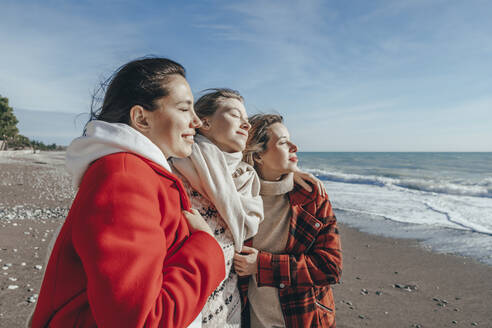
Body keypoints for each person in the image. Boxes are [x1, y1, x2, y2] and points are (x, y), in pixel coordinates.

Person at [30, 58, 225, 328]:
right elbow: (143, 321)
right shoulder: (124, 177)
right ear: (141, 118)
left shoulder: (138, 172)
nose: (197, 121)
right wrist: (206, 247)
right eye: (184, 109)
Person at [171, 90, 327, 327]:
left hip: (257, 313)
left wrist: (292, 173)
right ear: (204, 122)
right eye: (235, 114)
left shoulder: (247, 183)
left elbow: (330, 267)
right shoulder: (175, 172)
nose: (245, 122)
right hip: (194, 308)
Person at [235, 114, 342, 328]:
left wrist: (261, 265)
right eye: (283, 142)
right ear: (258, 156)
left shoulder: (312, 196)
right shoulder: (238, 197)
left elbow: (330, 266)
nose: (295, 147)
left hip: (305, 318)